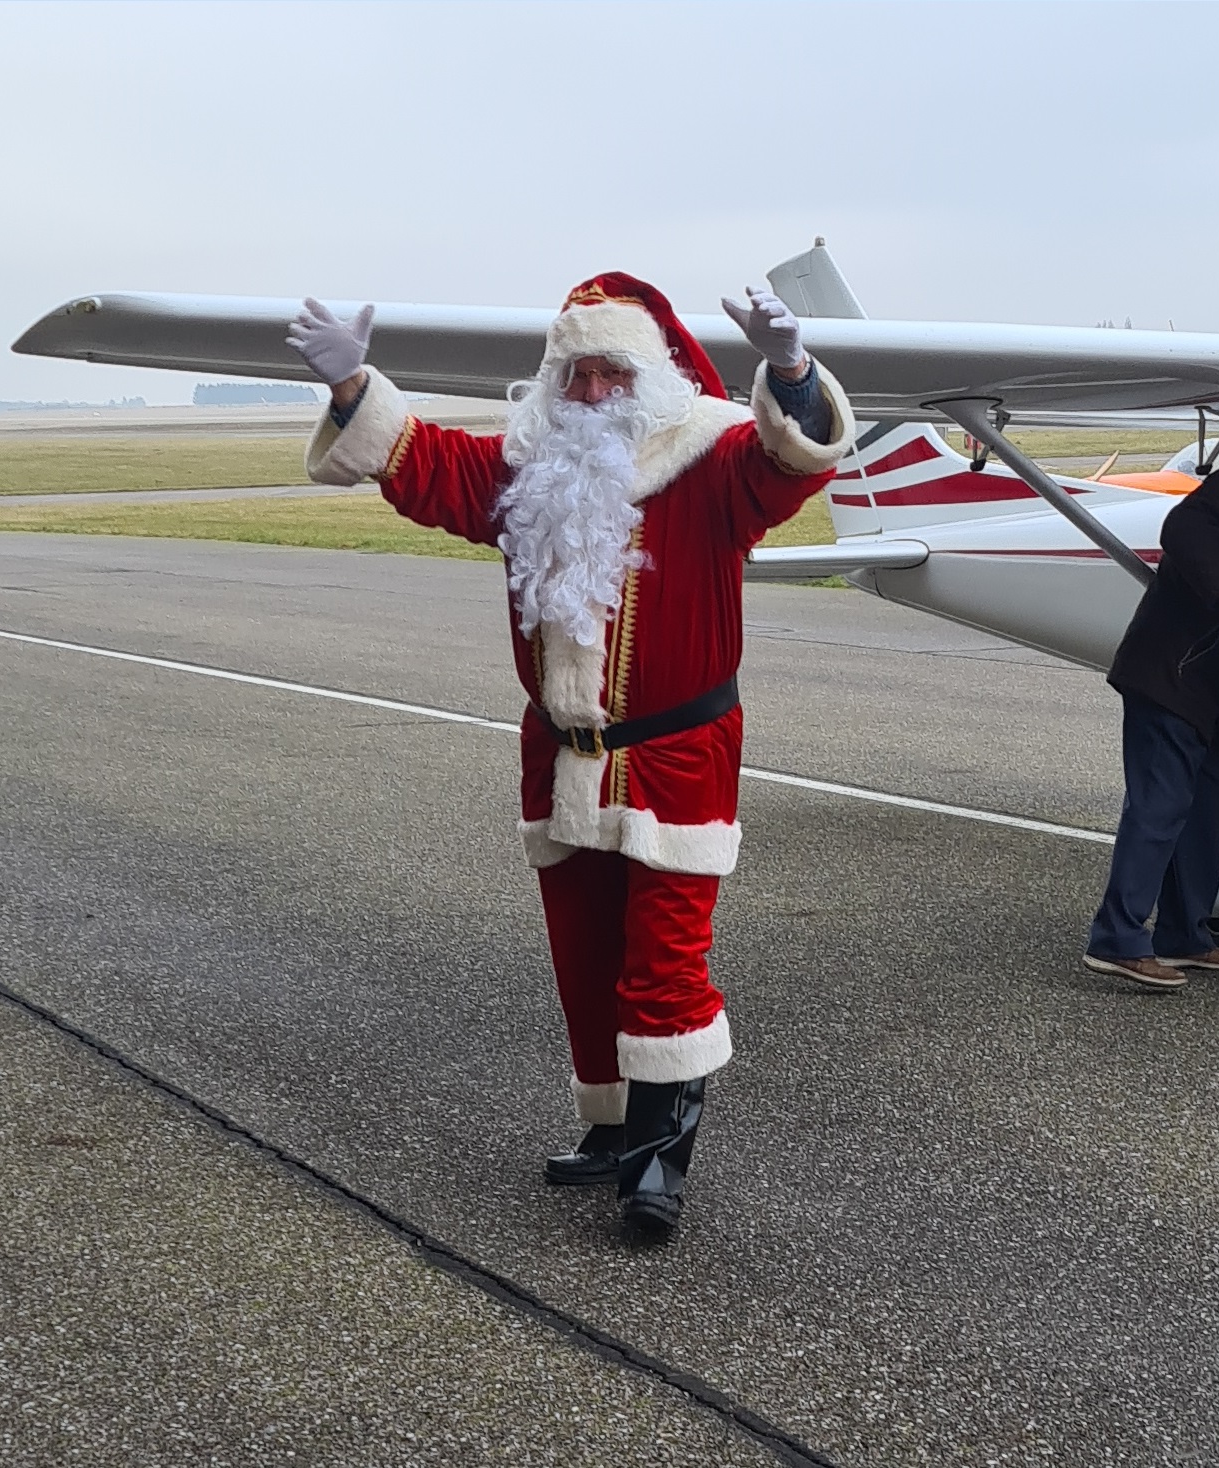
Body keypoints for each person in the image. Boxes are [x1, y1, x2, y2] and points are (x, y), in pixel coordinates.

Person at [287, 274, 855, 1236]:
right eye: (575, 373)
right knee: (584, 954)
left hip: (676, 758)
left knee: (664, 959)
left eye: (611, 372)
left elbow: (790, 467)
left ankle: (659, 1157)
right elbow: (428, 470)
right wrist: (353, 391)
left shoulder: (713, 460)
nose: (592, 393)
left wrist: (792, 372)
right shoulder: (528, 470)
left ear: (653, 379)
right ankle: (610, 1129)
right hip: (561, 753)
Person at [1082, 465, 1219, 991]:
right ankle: (1117, 940)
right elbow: (1183, 527)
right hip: (1169, 675)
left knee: (1211, 804)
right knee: (1161, 803)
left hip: (1209, 690)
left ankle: (1183, 935)